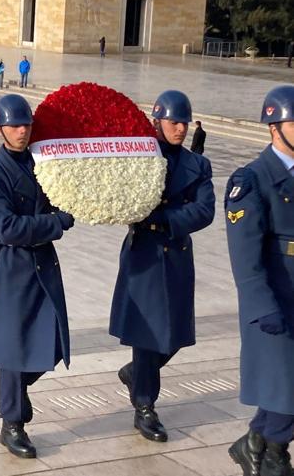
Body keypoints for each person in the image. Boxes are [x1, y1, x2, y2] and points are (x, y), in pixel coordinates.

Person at [0, 94, 75, 459]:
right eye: (14, 125)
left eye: (26, 124)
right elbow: (8, 228)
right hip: (11, 269)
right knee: (14, 351)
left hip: (42, 264)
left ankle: (16, 393)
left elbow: (60, 196)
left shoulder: (42, 162)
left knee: (53, 343)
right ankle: (12, 423)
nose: (22, 131)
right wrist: (54, 223)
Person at [111, 89, 215, 443]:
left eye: (184, 122)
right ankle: (145, 406)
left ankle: (137, 373)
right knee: (146, 332)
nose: (181, 129)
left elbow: (205, 211)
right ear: (157, 122)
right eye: (174, 122)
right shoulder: (138, 158)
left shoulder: (197, 165)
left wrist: (165, 217)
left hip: (176, 251)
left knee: (177, 334)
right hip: (144, 253)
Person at [225, 85, 294, 476]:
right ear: (274, 127)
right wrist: (261, 307)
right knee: (284, 389)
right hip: (275, 300)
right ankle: (271, 454)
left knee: (285, 387)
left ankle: (257, 443)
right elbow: (245, 259)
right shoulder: (251, 179)